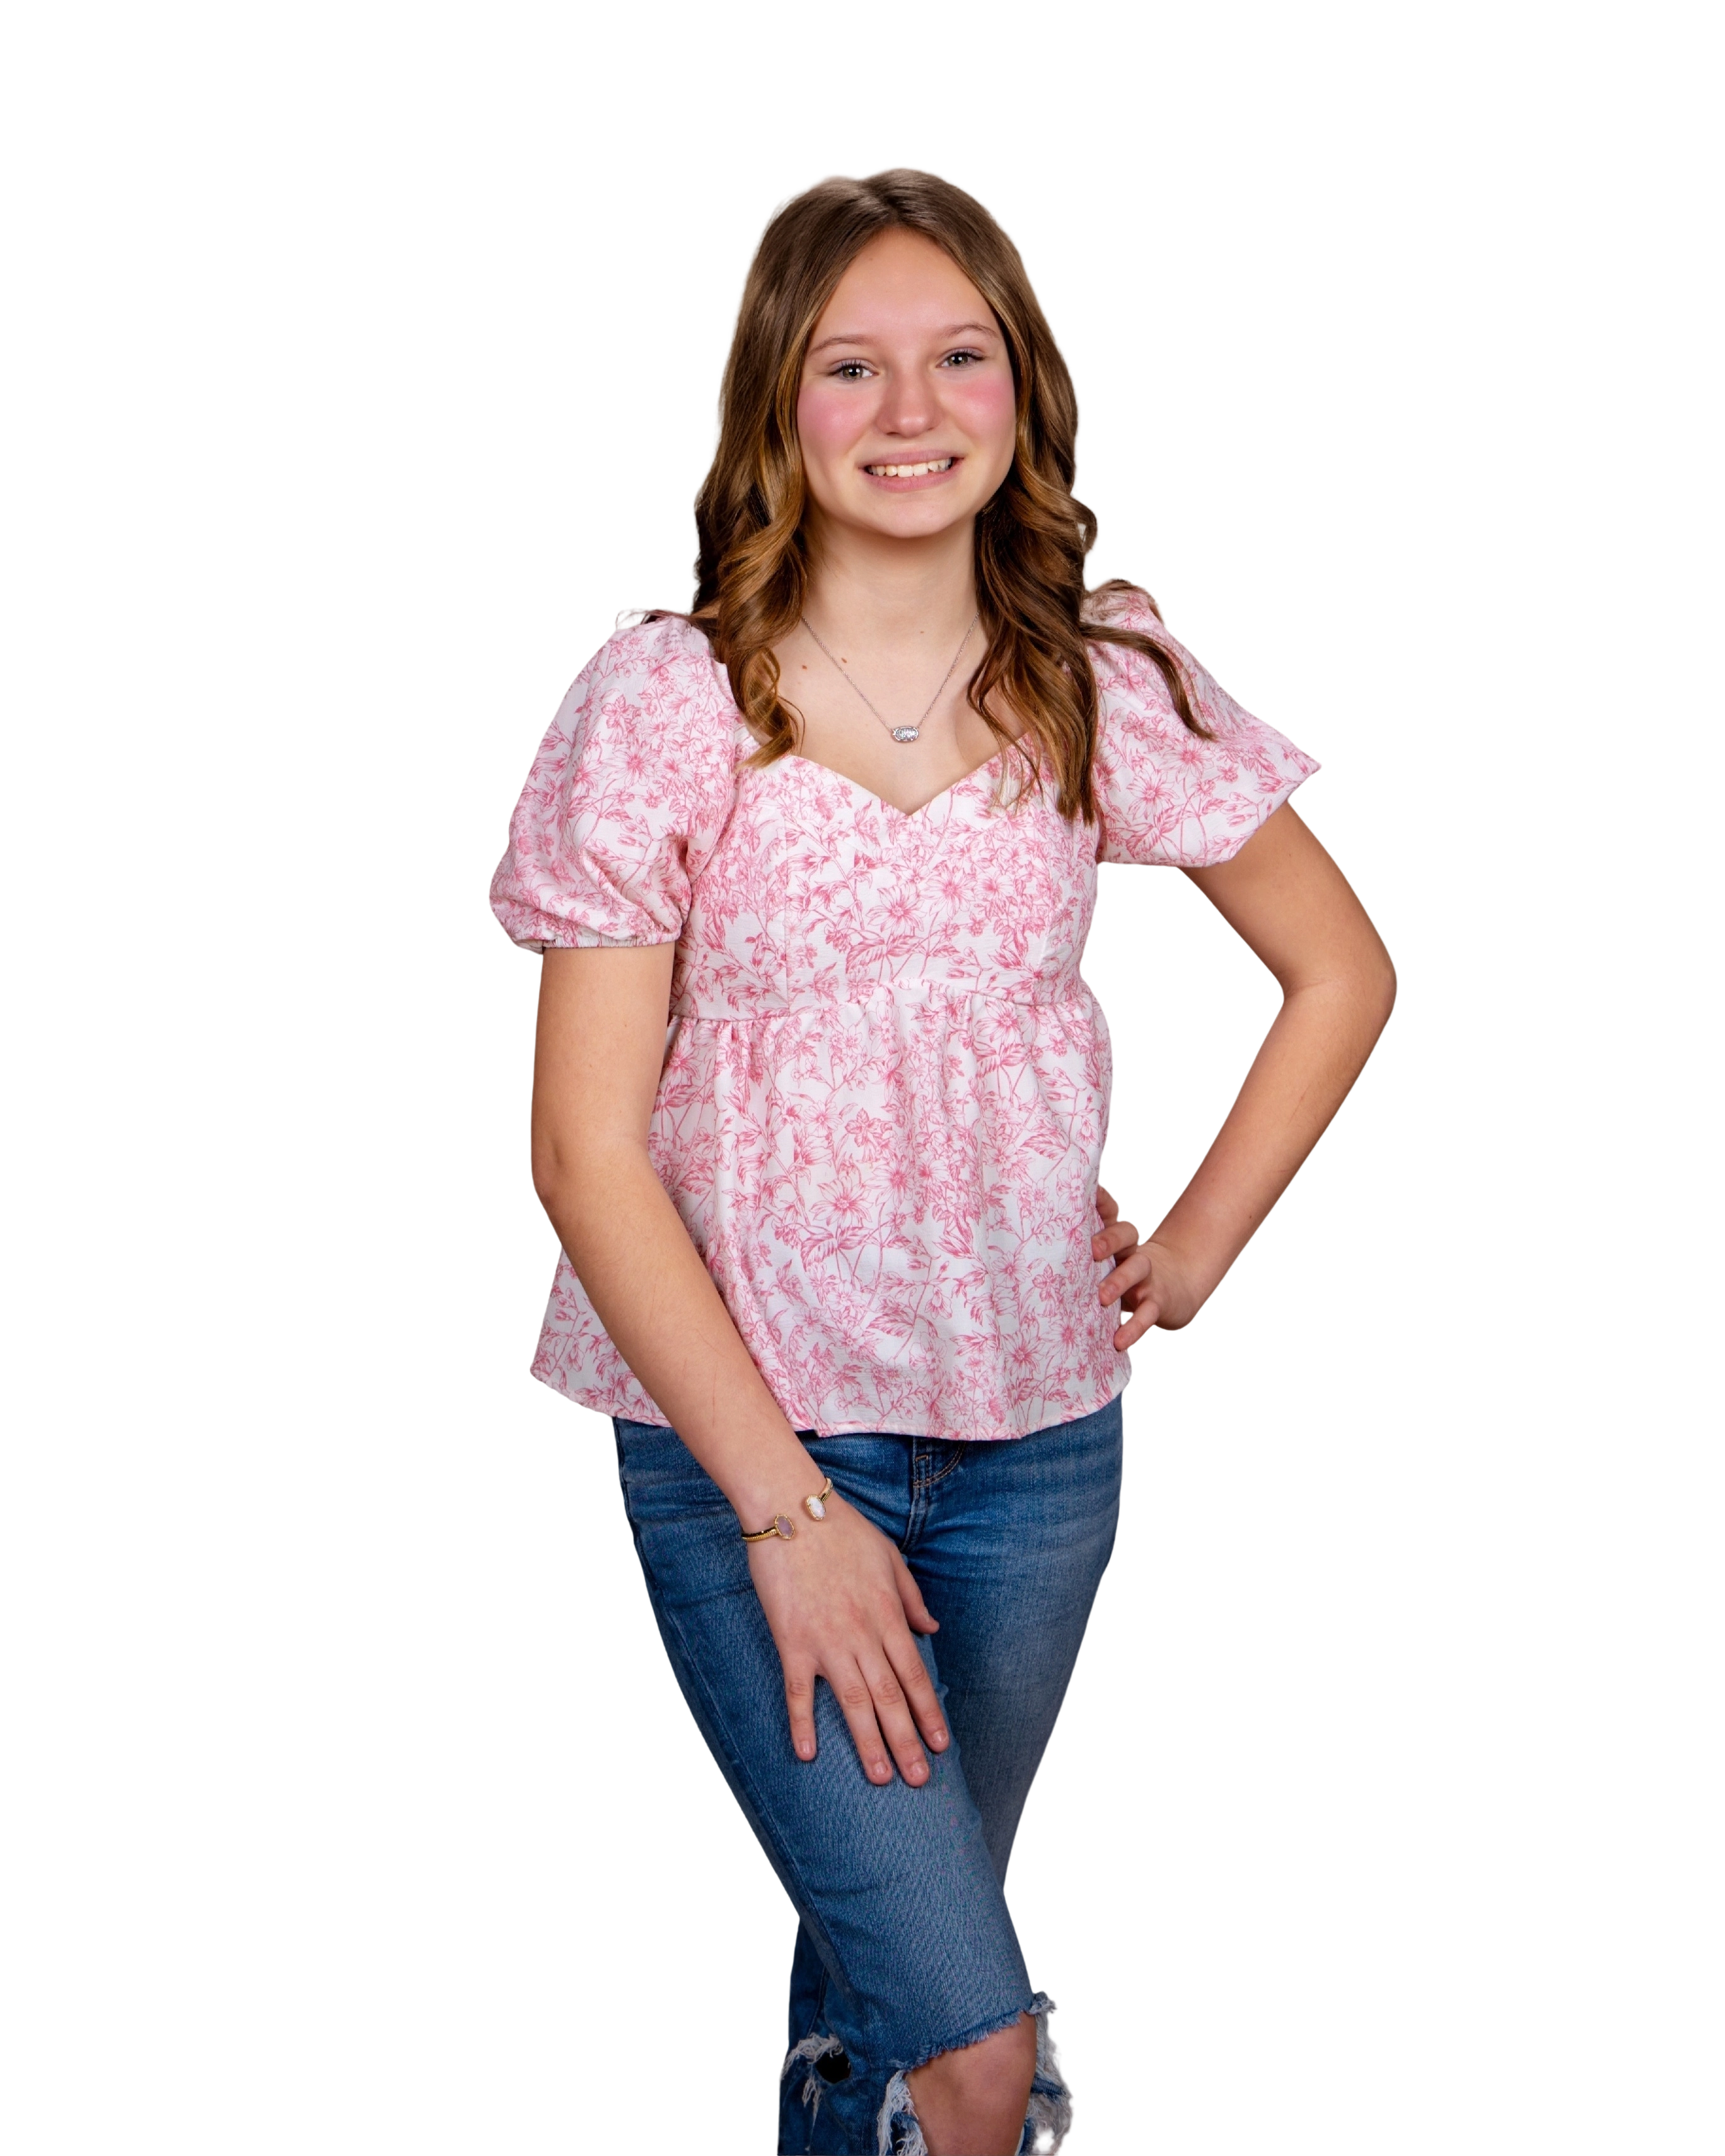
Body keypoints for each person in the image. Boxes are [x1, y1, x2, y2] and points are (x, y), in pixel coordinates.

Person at [485, 164, 1398, 2156]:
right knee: (977, 2052)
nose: (912, 410)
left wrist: (1198, 1245)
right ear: (775, 402)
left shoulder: (1101, 674)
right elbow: (582, 1156)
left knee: (881, 2001)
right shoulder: (664, 701)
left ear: (1024, 387)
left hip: (1036, 1439)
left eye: (959, 355)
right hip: (750, 1439)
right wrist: (791, 1514)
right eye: (851, 366)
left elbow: (1342, 971)